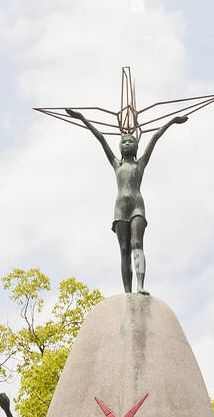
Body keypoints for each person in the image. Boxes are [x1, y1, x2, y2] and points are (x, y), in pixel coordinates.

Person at [65, 107, 189, 294]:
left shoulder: (140, 164)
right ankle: (127, 292)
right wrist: (82, 117)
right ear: (120, 147)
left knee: (137, 244)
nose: (127, 143)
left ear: (137, 146)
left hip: (137, 207)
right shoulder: (117, 164)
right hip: (120, 209)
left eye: (131, 141)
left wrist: (172, 121)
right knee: (124, 249)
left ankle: (140, 285)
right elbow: (100, 138)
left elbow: (155, 137)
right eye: (124, 141)